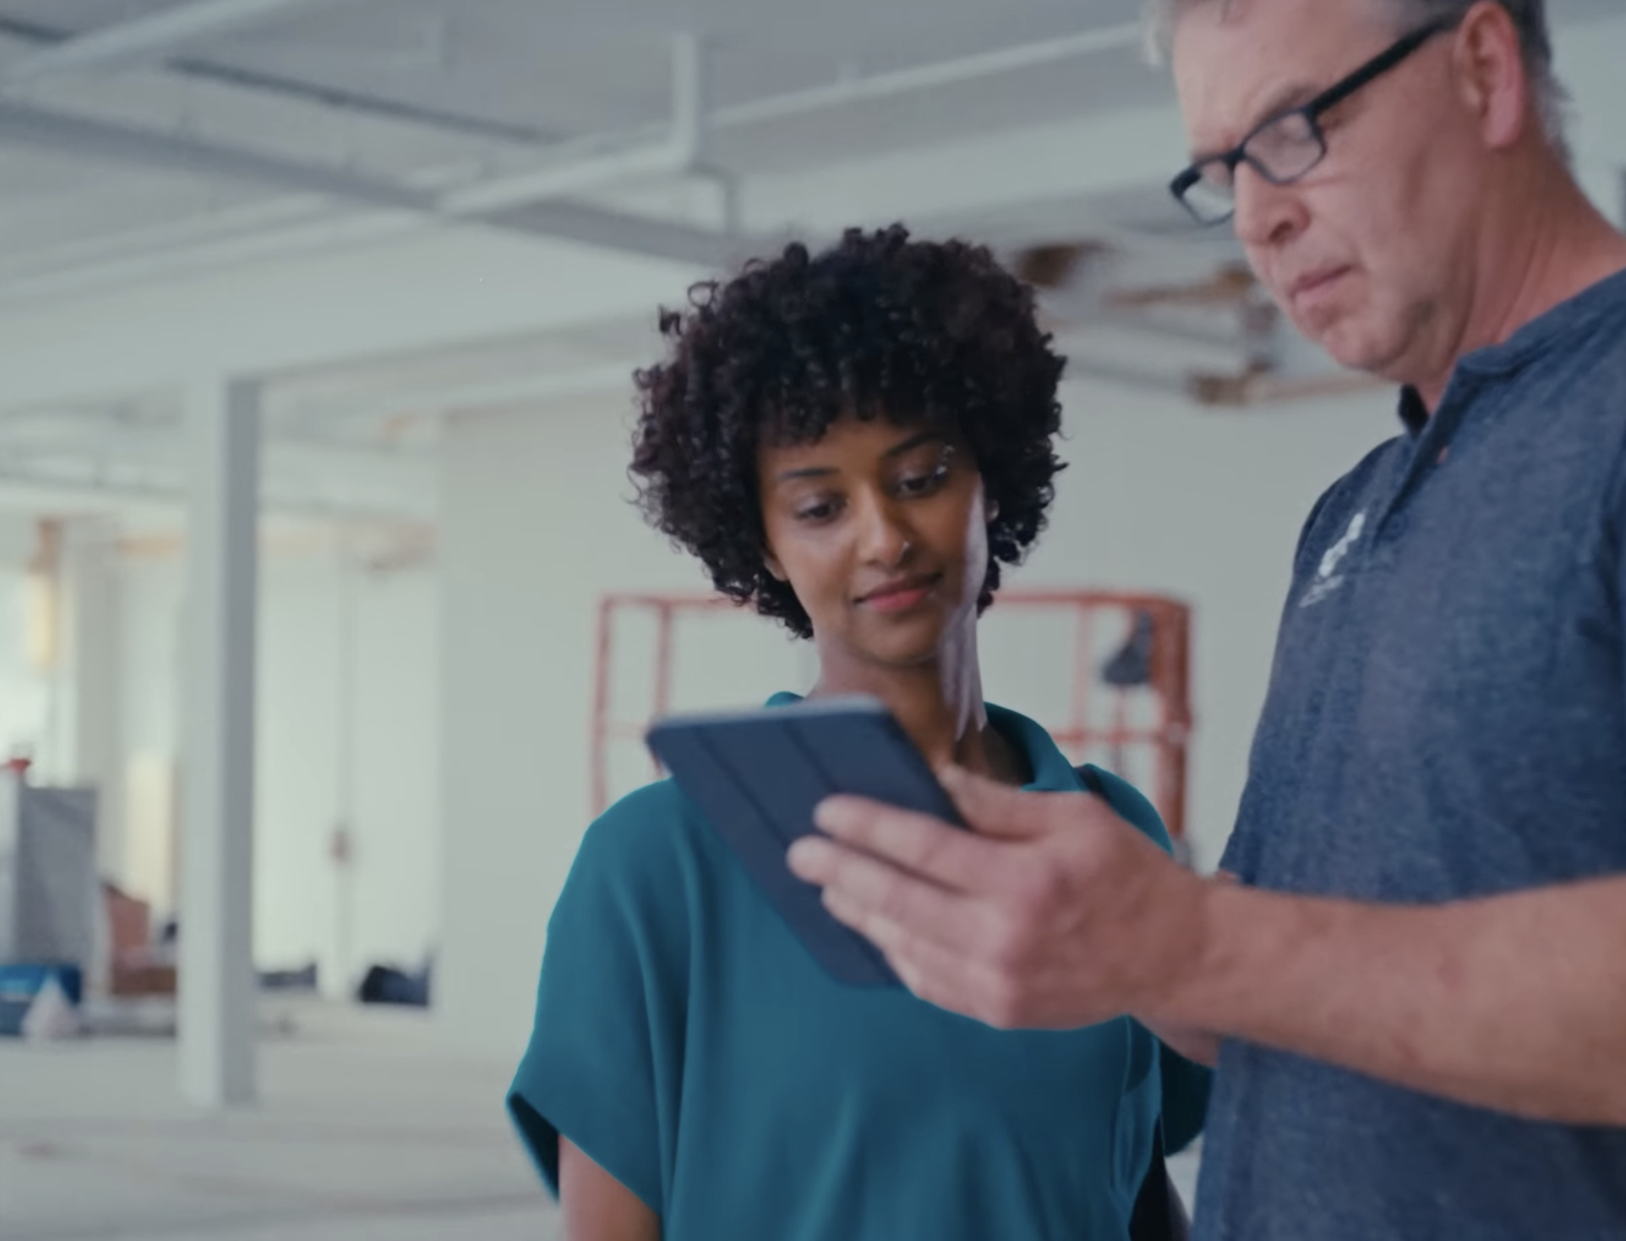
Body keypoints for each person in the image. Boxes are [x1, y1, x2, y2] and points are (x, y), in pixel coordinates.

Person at [786, 2, 1626, 1239]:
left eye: (1292, 130)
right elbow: (1278, 996)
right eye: (1219, 172)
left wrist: (1184, 934)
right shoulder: (1354, 514)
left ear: (1483, 69)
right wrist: (1093, 933)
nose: (1257, 215)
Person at [506, 224, 1212, 1241]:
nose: (883, 537)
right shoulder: (657, 866)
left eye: (921, 477)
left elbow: (1134, 1189)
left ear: (990, 480)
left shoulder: (1106, 830)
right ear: (764, 545)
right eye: (821, 505)